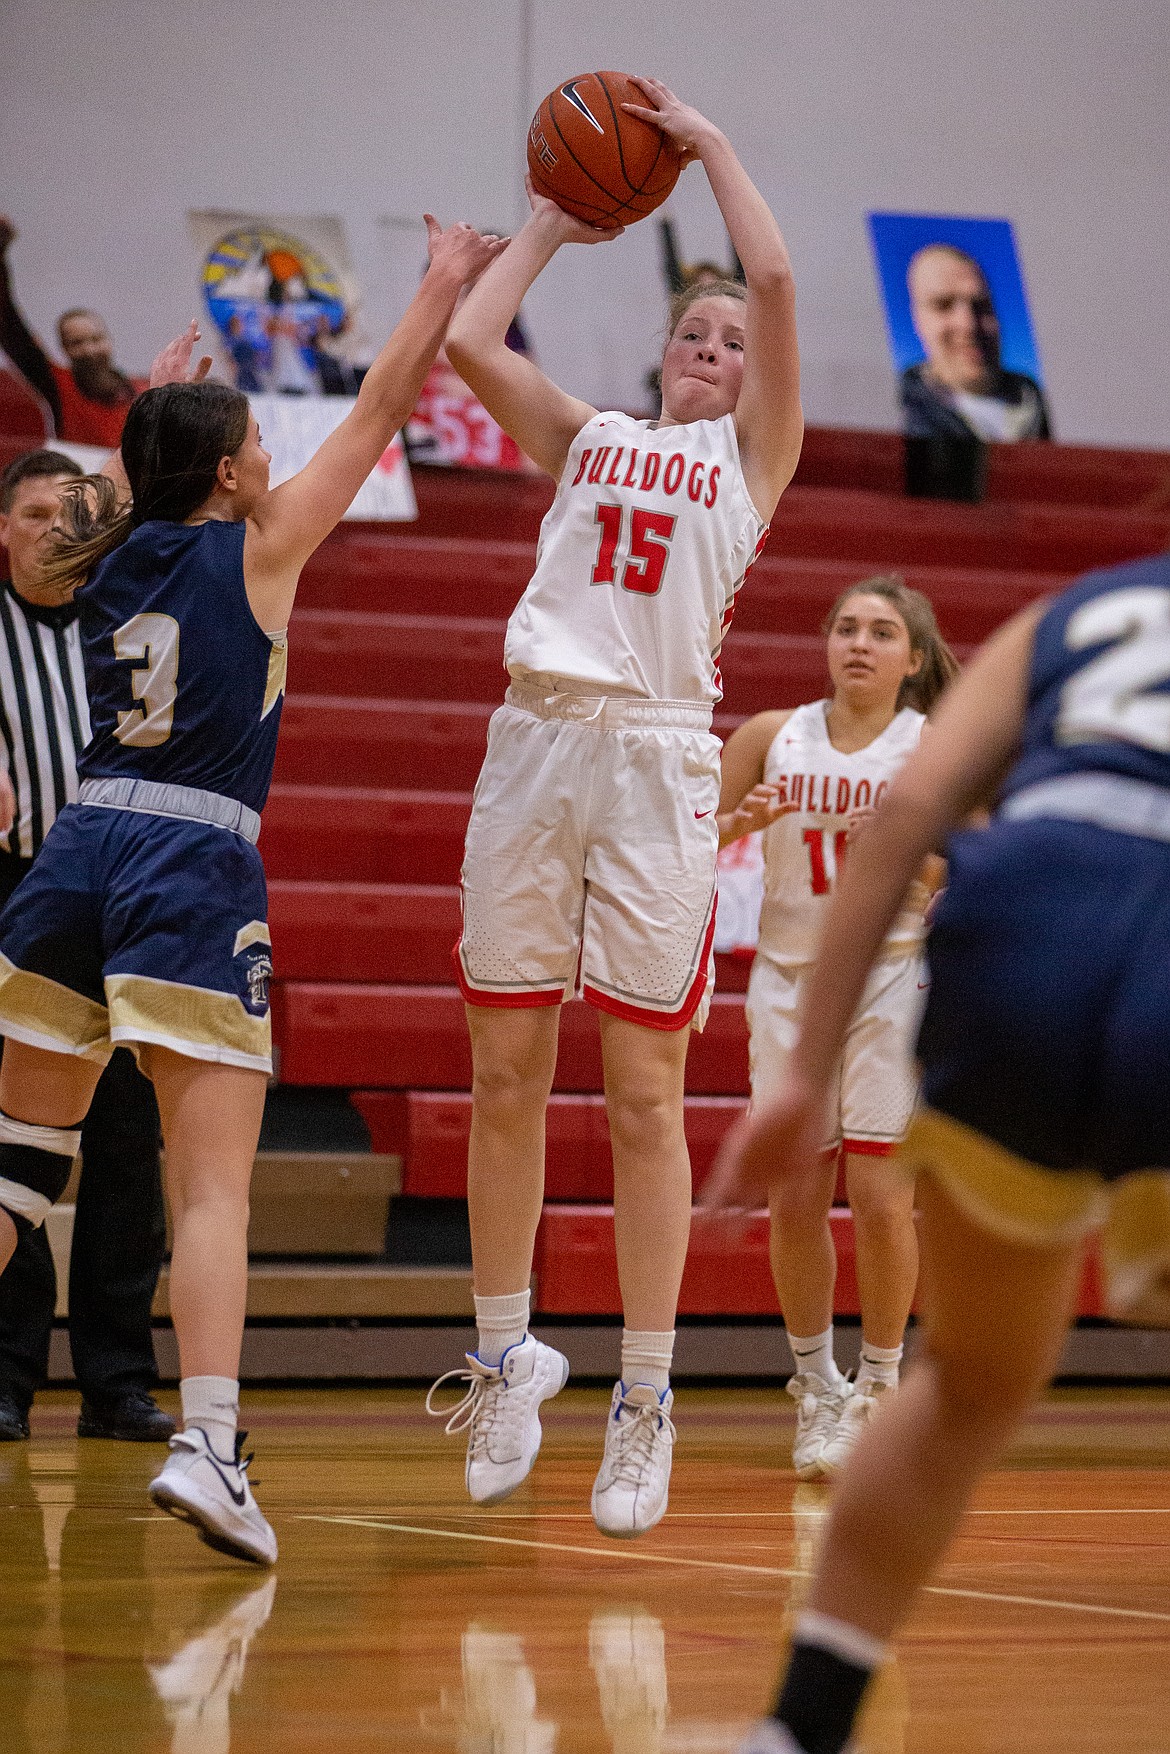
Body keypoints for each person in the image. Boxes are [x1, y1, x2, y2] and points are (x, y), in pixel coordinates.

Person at [0, 216, 505, 1566]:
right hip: (186, 858)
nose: (279, 460)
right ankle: (210, 1444)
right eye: (258, 449)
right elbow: (386, 403)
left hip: (71, 856)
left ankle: (208, 1440)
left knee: (17, 1168)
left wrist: (142, 427)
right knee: (207, 1187)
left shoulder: (100, 560)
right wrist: (443, 283)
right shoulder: (258, 551)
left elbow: (121, 493)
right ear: (230, 471)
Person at [705, 554, 1170, 1754]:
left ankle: (802, 1727)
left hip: (1022, 923)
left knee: (967, 1382)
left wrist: (798, 1074)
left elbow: (909, 818)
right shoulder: (785, 732)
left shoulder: (1079, 606)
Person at [425, 76, 802, 1538]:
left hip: (655, 762)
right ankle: (507, 1347)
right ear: (659, 355)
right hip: (533, 743)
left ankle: (645, 1395)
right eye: (691, 333)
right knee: (504, 1071)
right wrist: (549, 219)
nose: (714, 345)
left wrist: (705, 145)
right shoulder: (585, 436)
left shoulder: (747, 465)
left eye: (728, 341)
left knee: (644, 1098)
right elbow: (466, 338)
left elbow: (767, 272)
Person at [716, 579, 956, 1479]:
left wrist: (928, 863)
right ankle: (817, 1388)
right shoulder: (768, 737)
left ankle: (882, 1386)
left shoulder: (932, 748)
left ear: (915, 659)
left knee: (885, 1200)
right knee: (796, 1200)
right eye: (846, 626)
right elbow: (676, 838)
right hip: (786, 984)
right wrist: (730, 827)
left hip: (892, 978)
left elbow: (980, 855)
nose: (859, 642)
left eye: (882, 631)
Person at [0, 448, 172, 1445]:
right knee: (16, 1142)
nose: (58, 525)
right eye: (34, 511)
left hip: (125, 898)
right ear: (6, 529)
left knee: (124, 1151)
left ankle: (118, 1379)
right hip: (17, 893)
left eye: (74, 510)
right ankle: (10, 1374)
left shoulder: (126, 612)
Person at [0, 217, 148, 448]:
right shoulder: (58, 386)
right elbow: (10, 329)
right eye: (76, 343)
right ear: (64, 349)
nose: (89, 350)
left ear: (109, 340)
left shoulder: (144, 392)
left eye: (95, 339)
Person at [901, 244, 1051, 443]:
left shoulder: (1038, 404)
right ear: (917, 319)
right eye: (943, 305)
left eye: (981, 306)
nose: (969, 325)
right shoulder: (899, 415)